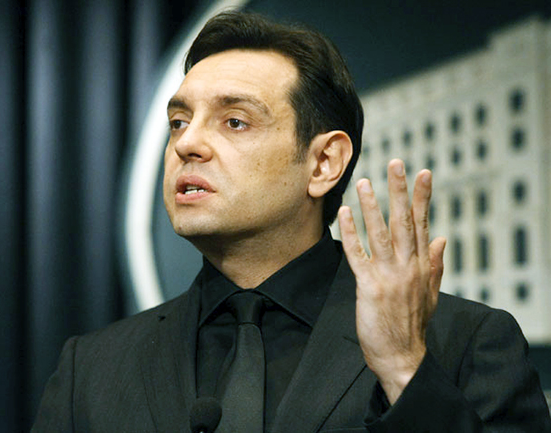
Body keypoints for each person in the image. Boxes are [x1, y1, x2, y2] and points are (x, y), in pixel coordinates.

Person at [32, 11, 551, 432]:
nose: (187, 143)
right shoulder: (91, 370)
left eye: (235, 121)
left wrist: (402, 370)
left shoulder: (466, 343)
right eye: (179, 121)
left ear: (323, 163)